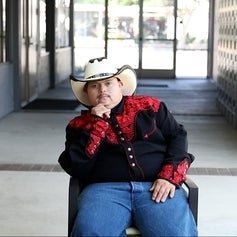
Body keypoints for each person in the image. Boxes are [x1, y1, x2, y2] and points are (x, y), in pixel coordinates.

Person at [58, 57, 198, 237]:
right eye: (94, 85)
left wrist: (169, 177)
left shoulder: (150, 107)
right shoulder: (78, 125)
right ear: (87, 92)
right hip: (104, 191)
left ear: (120, 84)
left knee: (176, 233)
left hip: (156, 186)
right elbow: (76, 166)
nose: (102, 90)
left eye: (108, 83)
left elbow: (178, 137)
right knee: (90, 232)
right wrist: (96, 124)